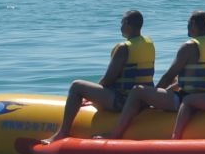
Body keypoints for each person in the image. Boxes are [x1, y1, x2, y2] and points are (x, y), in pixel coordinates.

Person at [45, 10, 154, 143]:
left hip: (124, 101)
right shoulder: (149, 43)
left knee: (76, 86)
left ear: (126, 23)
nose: (120, 27)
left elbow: (108, 79)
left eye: (121, 23)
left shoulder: (124, 48)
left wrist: (93, 94)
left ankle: (63, 132)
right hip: (144, 101)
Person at [110, 11, 205, 137]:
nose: (187, 26)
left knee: (137, 91)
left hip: (185, 100)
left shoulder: (188, 47)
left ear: (193, 24)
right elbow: (199, 77)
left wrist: (152, 95)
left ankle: (115, 134)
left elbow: (168, 76)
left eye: (188, 23)